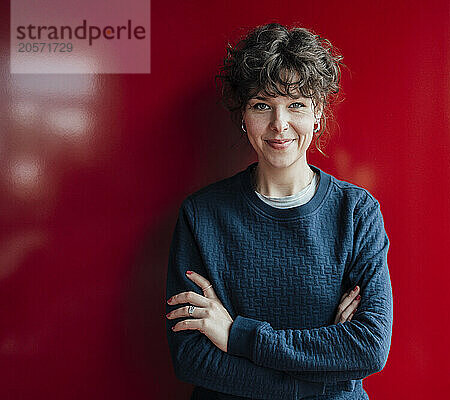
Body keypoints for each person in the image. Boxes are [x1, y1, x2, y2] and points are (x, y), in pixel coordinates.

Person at [165, 22, 393, 400]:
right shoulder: (201, 215)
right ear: (243, 116)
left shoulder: (357, 212)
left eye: (296, 105)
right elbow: (193, 358)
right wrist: (329, 377)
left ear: (317, 113)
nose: (279, 124)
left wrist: (238, 335)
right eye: (261, 105)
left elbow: (369, 346)